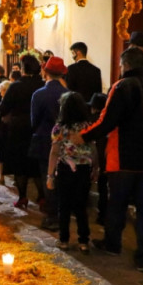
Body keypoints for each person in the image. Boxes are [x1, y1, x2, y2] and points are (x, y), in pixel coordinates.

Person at [71, 48, 143, 271]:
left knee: (117, 204)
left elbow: (107, 121)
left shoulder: (123, 86)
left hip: (123, 157)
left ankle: (113, 244)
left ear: (125, 65)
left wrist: (84, 136)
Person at [47, 91, 97, 254]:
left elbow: (54, 151)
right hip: (83, 168)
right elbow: (93, 148)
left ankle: (64, 239)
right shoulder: (88, 127)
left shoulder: (59, 128)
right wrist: (95, 167)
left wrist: (50, 175)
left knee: (64, 205)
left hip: (65, 168)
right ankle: (83, 241)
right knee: (81, 205)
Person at [0, 54, 44, 209]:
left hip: (18, 129)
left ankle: (23, 197)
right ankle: (42, 197)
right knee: (36, 165)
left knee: (20, 164)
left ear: (23, 68)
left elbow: (3, 108)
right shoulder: (42, 84)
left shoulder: (16, 86)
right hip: (38, 128)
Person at [30, 56, 68, 231]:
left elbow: (34, 122)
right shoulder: (69, 95)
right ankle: (62, 215)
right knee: (62, 180)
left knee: (49, 178)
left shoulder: (39, 95)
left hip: (45, 140)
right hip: (66, 143)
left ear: (45, 71)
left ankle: (52, 216)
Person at [88, 92, 108, 225]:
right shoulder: (108, 120)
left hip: (91, 156)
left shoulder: (91, 120)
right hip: (106, 157)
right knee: (103, 187)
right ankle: (103, 214)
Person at [0, 80, 12, 185]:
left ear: (5, 90)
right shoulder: (11, 100)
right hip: (8, 129)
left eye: (1, 90)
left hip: (4, 129)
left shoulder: (5, 101)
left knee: (1, 153)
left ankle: (1, 177)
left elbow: (2, 115)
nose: (0, 92)